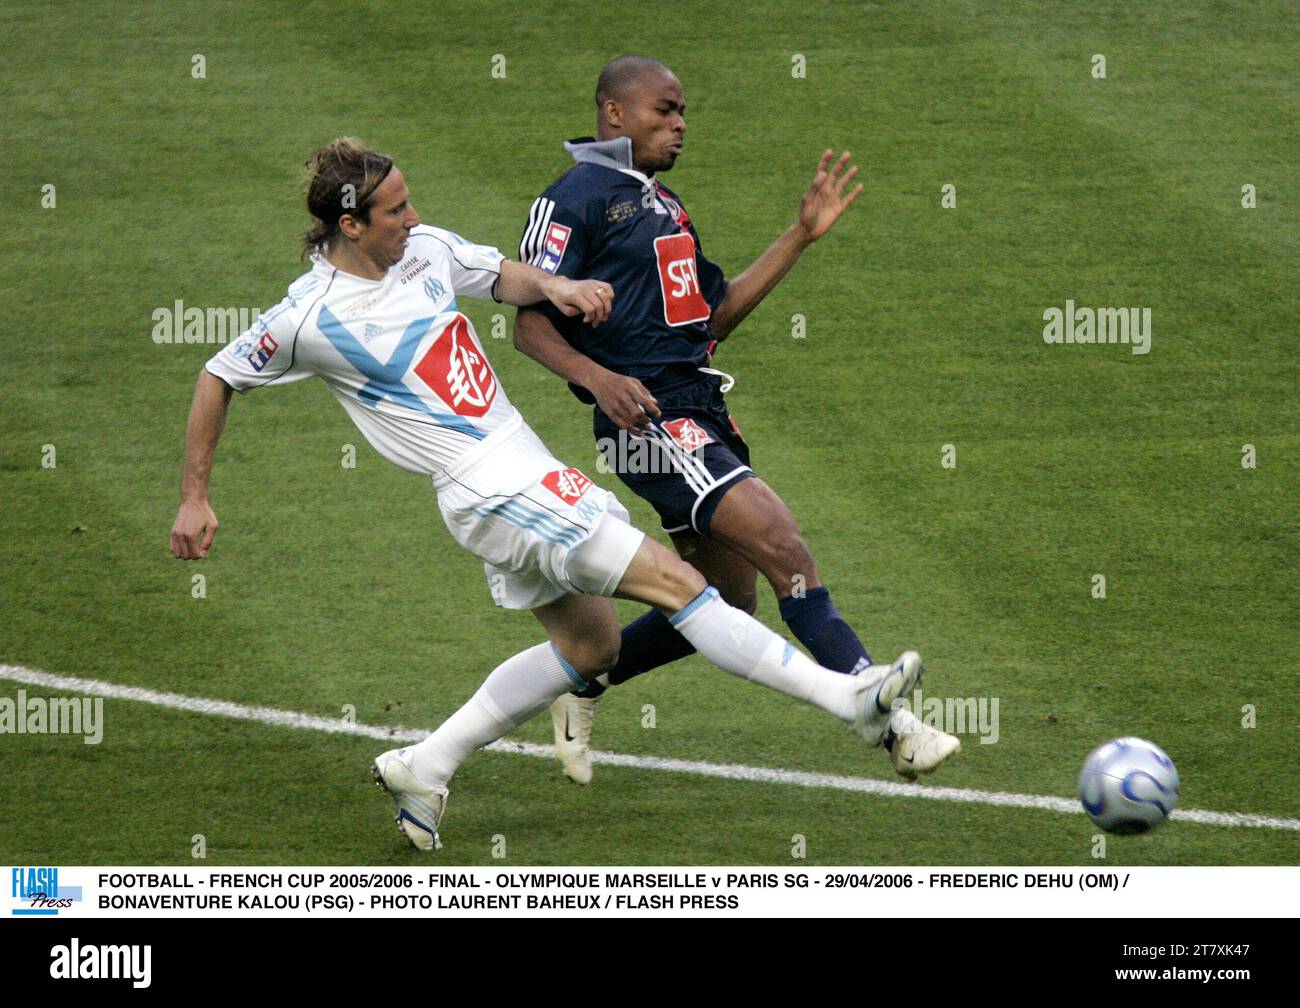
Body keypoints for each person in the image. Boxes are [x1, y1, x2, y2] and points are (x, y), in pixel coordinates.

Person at [170, 137, 933, 851]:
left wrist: (560, 287)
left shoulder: (425, 253)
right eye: (396, 210)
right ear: (350, 223)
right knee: (685, 586)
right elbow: (218, 375)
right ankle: (852, 703)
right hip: (491, 487)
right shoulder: (307, 317)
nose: (414, 218)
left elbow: (501, 274)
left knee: (590, 646)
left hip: (515, 474)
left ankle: (425, 765)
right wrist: (195, 497)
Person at [514, 57, 959, 785]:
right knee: (784, 546)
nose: (681, 123)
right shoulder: (575, 198)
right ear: (614, 114)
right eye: (664, 110)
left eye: (684, 110)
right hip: (649, 422)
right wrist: (599, 381)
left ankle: (584, 682)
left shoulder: (667, 205)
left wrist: (799, 235)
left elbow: (712, 318)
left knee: (726, 600)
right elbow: (530, 327)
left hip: (700, 410)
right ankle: (891, 724)